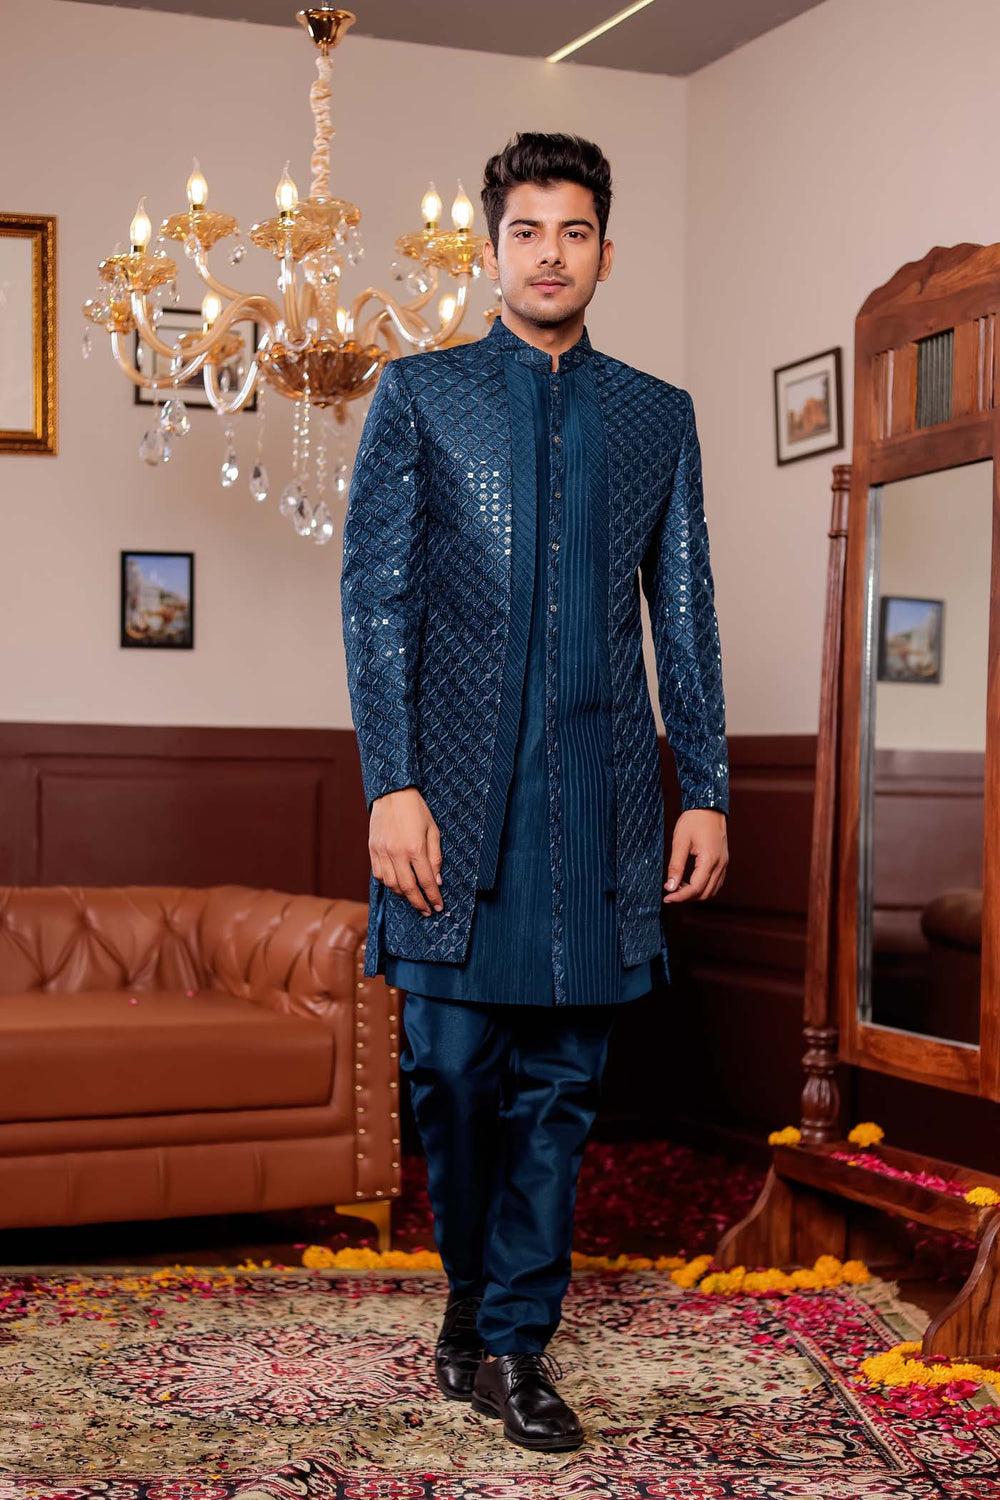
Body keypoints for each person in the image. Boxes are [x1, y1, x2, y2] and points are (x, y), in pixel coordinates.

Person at [340, 132, 729, 1452]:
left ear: (606, 253)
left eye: (574, 232)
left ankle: (513, 1342)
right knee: (449, 1077)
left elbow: (685, 612)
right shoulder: (422, 396)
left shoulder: (657, 415)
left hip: (599, 807)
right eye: (527, 231)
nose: (550, 254)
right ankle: (470, 1298)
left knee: (558, 1093)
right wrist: (391, 785)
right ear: (491, 250)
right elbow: (377, 603)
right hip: (449, 810)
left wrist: (706, 785)